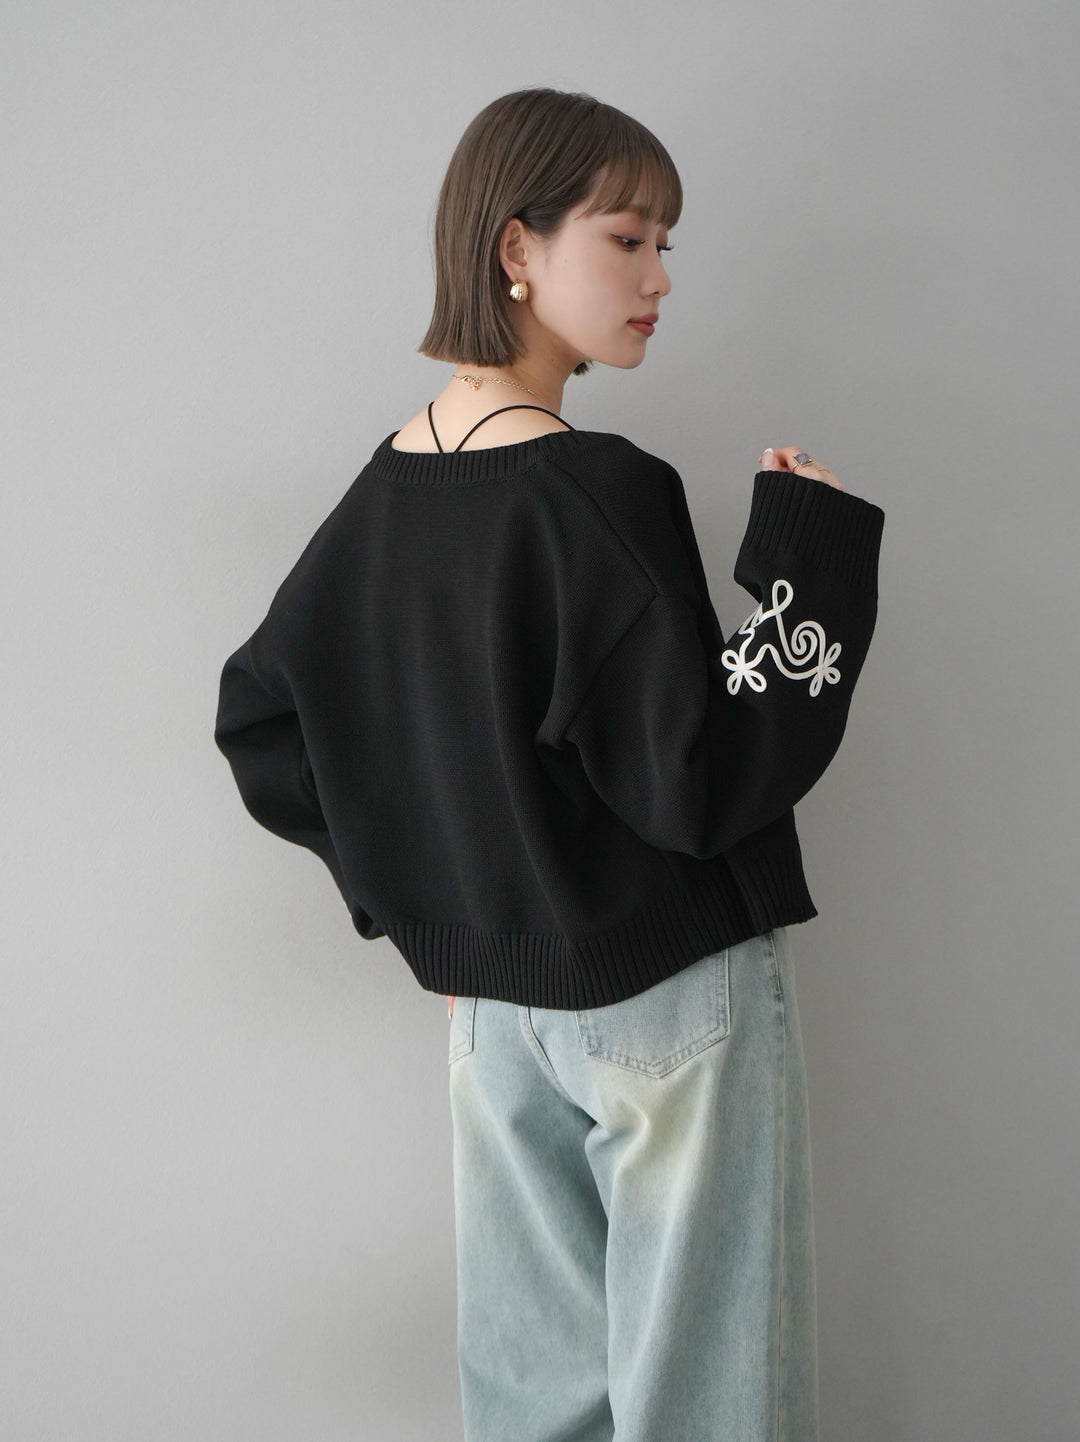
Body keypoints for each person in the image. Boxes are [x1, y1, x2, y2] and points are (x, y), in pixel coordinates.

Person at [214, 86, 884, 1442]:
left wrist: (432, 912)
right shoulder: (597, 487)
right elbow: (701, 782)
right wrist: (808, 564)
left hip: (498, 1010)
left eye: (664, 245)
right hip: (669, 996)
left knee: (536, 1400)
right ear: (516, 248)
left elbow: (263, 722)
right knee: (708, 1397)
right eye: (628, 239)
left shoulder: (384, 493)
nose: (660, 278)